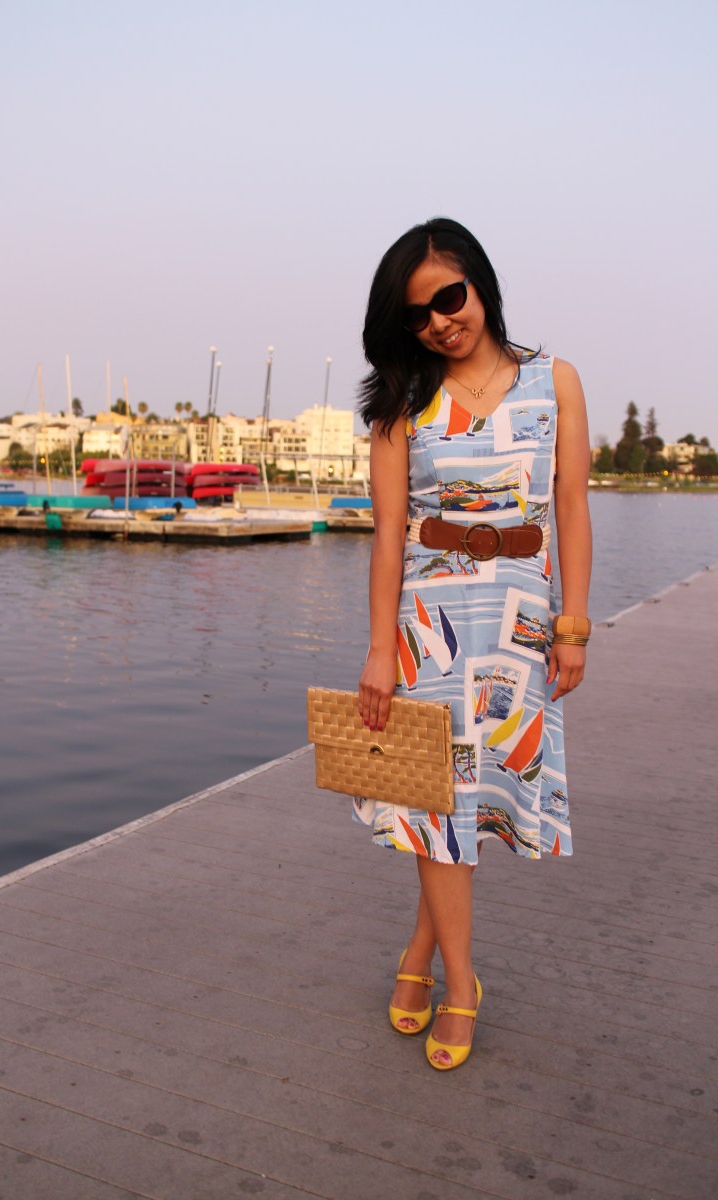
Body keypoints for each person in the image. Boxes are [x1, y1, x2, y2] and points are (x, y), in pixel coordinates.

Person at [354, 217, 592, 1071]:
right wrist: (378, 650)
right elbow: (388, 536)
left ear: (479, 283)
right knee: (436, 804)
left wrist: (573, 626)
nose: (438, 322)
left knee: (472, 800)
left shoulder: (555, 381)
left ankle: (418, 952)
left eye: (448, 298)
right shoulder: (402, 403)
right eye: (417, 315)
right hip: (430, 626)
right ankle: (462, 983)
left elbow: (571, 507)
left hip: (519, 621)